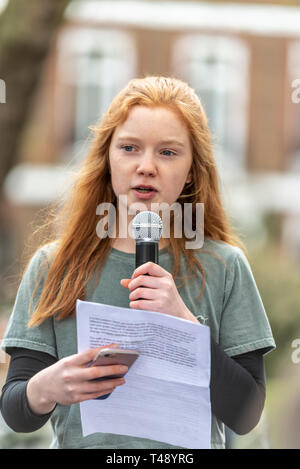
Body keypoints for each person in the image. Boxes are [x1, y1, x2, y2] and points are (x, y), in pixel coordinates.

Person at [0, 76, 275, 449]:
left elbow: (246, 414)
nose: (146, 166)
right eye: (129, 148)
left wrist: (184, 324)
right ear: (107, 158)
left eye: (168, 152)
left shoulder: (225, 267)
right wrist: (47, 386)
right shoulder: (54, 265)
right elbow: (16, 412)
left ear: (192, 168)